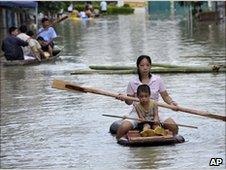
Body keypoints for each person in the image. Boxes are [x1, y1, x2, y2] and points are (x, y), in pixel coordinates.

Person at [116, 55, 179, 139]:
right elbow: (129, 102)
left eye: (147, 65)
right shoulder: (132, 82)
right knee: (123, 128)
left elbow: (165, 96)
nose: (145, 68)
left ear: (150, 66)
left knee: (173, 127)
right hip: (137, 112)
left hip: (155, 110)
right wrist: (124, 99)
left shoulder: (157, 80)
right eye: (142, 65)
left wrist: (172, 103)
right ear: (138, 66)